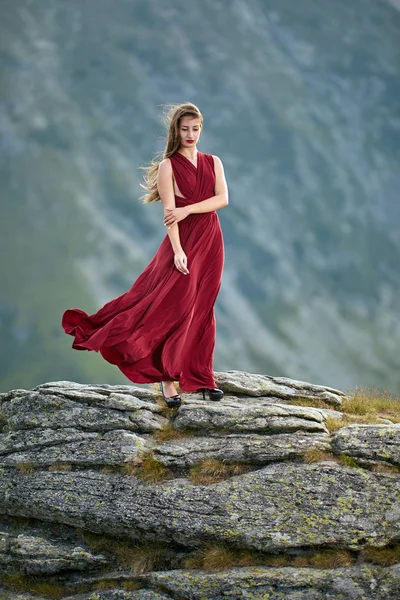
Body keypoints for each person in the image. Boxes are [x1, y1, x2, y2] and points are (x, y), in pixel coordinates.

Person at [62, 102, 228, 408]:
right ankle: (167, 379)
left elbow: (222, 199)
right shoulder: (168, 166)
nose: (190, 134)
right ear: (176, 131)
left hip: (211, 241)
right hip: (183, 243)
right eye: (184, 129)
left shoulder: (213, 162)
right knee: (170, 306)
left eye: (195, 129)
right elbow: (169, 215)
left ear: (201, 129)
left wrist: (189, 207)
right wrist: (178, 251)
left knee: (203, 308)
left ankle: (202, 378)